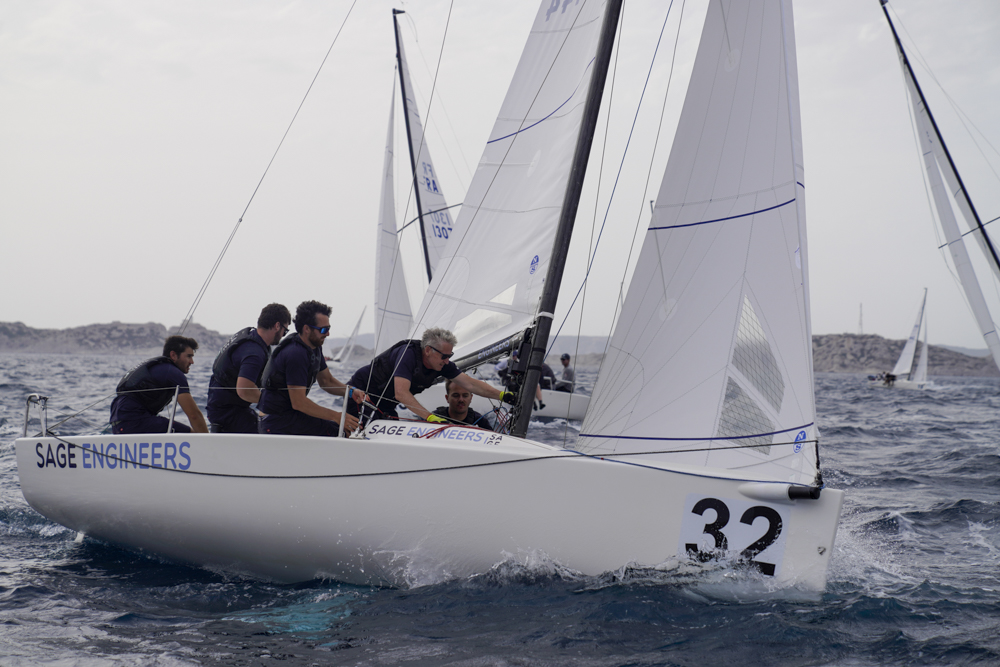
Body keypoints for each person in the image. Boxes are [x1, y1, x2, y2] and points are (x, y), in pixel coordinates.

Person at [348, 327, 514, 422]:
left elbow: (470, 384)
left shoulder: (441, 364)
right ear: (428, 350)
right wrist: (429, 417)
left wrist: (502, 396)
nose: (447, 360)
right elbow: (401, 392)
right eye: (444, 356)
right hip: (360, 396)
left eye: (450, 356)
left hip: (385, 405)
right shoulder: (407, 355)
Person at [257, 300, 366, 436]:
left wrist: (350, 392)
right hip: (276, 422)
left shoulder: (314, 348)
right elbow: (299, 403)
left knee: (344, 429)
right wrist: (337, 416)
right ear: (307, 329)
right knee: (341, 431)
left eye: (329, 329)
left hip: (291, 415)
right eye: (323, 330)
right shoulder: (295, 354)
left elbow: (327, 381)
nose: (328, 334)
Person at [206, 303, 291, 433]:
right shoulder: (254, 353)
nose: (283, 335)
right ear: (277, 326)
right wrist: (276, 405)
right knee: (273, 430)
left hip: (218, 406)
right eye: (285, 331)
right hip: (227, 413)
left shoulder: (250, 336)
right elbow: (244, 390)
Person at [110, 335, 209, 434]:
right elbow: (194, 415)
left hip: (117, 422)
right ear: (173, 355)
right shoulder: (173, 373)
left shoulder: (157, 367)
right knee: (190, 434)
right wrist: (209, 442)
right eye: (189, 356)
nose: (192, 362)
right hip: (134, 421)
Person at [431, 379, 496, 430]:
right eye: (456, 395)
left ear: (471, 398)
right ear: (447, 398)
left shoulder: (481, 422)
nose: (461, 400)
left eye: (465, 396)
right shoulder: (433, 419)